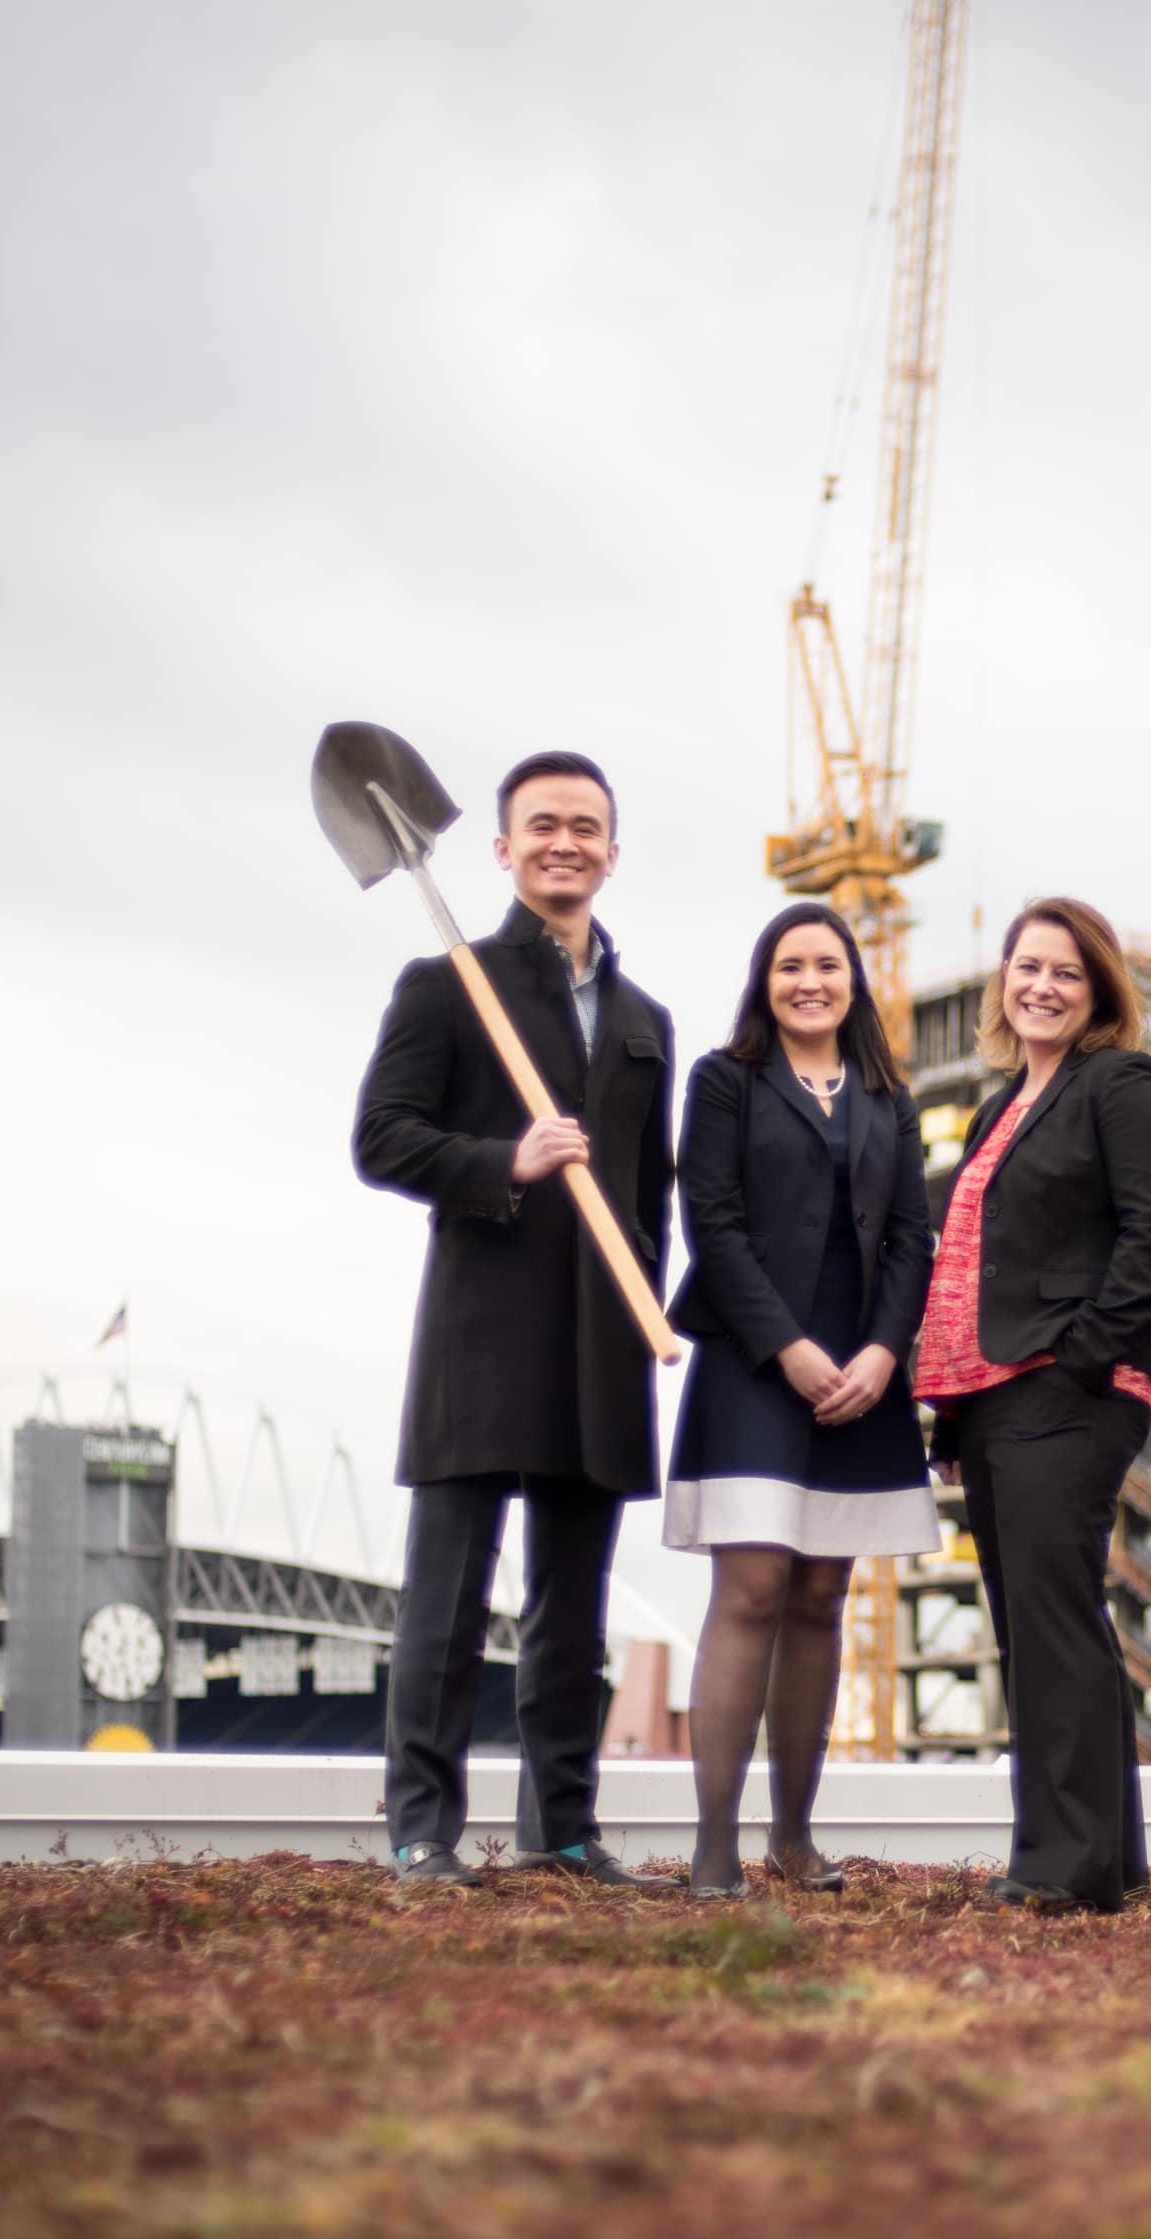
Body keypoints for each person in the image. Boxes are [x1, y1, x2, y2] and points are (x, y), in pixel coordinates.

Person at [352, 750, 681, 1892]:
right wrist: (509, 1159)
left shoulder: (645, 1021)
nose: (564, 843)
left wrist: (648, 1279)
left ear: (611, 851)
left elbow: (653, 1190)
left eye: (585, 827)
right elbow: (381, 1140)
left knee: (572, 1612)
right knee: (443, 1603)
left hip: (601, 1342)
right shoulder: (445, 984)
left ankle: (564, 1831)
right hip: (480, 1337)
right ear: (501, 847)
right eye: (541, 825)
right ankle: (421, 1831)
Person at [913, 898, 1151, 1915]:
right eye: (1026, 967)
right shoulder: (995, 1109)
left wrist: (1078, 1356)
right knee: (1041, 1627)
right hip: (990, 1400)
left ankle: (1059, 1866)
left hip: (1065, 1389)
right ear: (1001, 981)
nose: (1041, 986)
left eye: (1066, 972)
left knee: (1054, 1620)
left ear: (1098, 990)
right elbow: (971, 1268)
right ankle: (1100, 1860)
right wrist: (952, 1412)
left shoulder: (1117, 1084)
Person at [664, 903, 939, 1899]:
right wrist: (785, 1347)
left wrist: (880, 1353)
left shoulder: (887, 1099)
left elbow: (913, 1236)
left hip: (861, 1378)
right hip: (754, 1368)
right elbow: (714, 1224)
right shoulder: (723, 1082)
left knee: (822, 1598)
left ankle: (792, 1836)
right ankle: (710, 1846)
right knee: (748, 1592)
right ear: (763, 980)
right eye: (789, 966)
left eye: (827, 965)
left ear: (854, 981)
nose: (809, 981)